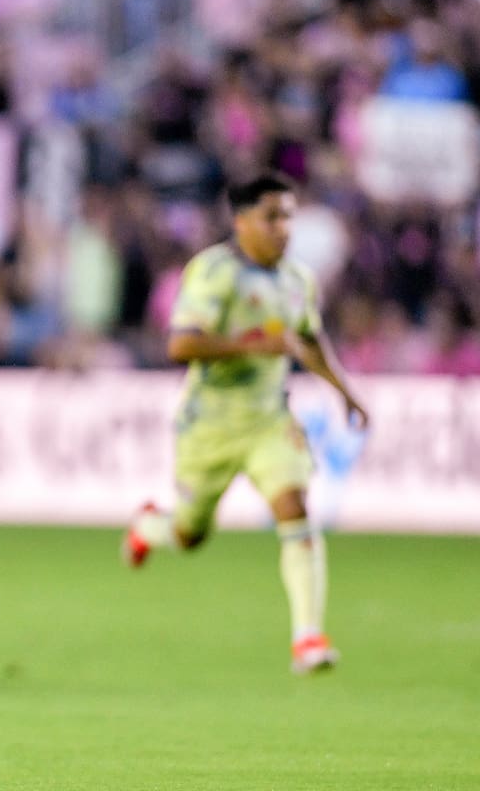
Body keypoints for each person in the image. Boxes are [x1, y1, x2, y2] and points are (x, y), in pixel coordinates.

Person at [121, 172, 368, 675]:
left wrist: (345, 392)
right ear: (241, 221)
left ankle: (308, 638)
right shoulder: (215, 273)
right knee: (190, 536)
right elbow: (181, 344)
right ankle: (150, 525)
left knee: (295, 506)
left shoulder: (298, 280)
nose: (283, 228)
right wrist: (254, 344)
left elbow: (311, 341)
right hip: (207, 425)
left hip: (268, 420)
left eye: (288, 216)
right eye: (271, 217)